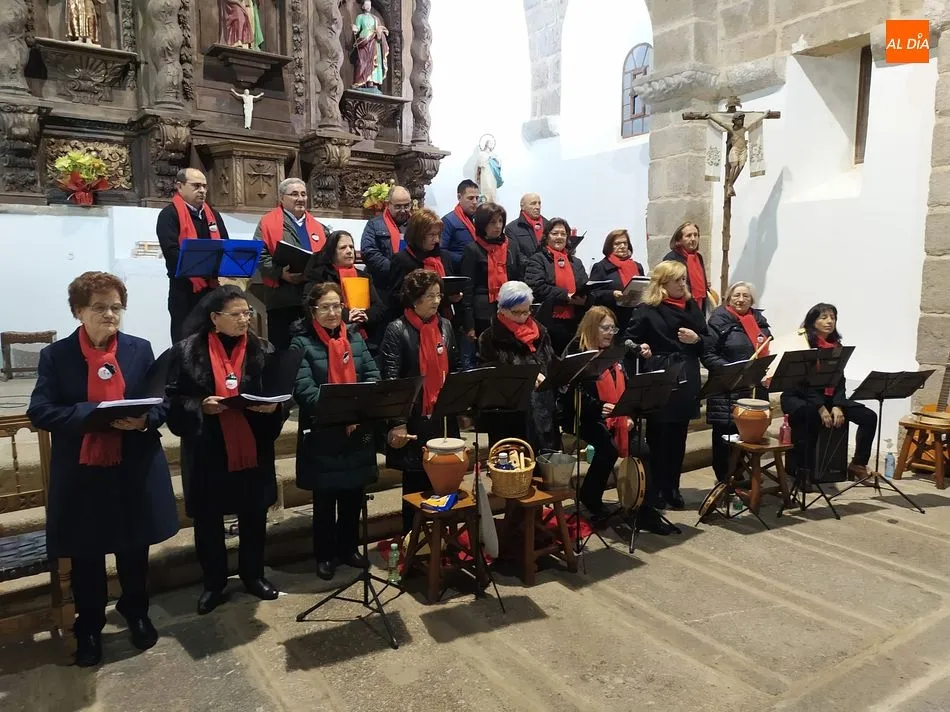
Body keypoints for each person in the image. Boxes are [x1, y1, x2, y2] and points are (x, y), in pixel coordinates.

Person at [26, 271, 178, 667]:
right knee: (87, 552)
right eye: (99, 307)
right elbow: (40, 410)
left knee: (134, 545)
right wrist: (90, 415)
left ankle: (136, 610)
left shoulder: (139, 349)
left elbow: (161, 401)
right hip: (83, 469)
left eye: (116, 307)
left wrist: (144, 420)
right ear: (79, 311)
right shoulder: (56, 356)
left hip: (132, 463)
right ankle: (89, 625)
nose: (110, 314)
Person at [165, 285, 287, 615]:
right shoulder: (188, 351)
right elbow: (171, 399)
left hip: (253, 443)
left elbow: (279, 392)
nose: (245, 319)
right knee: (208, 520)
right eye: (236, 314)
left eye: (247, 313)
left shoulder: (263, 349)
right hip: (208, 447)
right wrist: (198, 407)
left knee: (253, 515)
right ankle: (214, 583)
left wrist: (273, 408)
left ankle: (253, 575)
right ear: (215, 318)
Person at [291, 283, 380, 581]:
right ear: (312, 311)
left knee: (354, 494)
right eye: (325, 307)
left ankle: (348, 548)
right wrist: (341, 411)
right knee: (325, 500)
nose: (332, 313)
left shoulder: (355, 337)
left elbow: (372, 374)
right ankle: (325, 554)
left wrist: (358, 408)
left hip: (356, 430)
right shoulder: (301, 343)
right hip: (323, 432)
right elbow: (304, 389)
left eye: (336, 306)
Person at [560, 307, 674, 534]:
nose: (610, 332)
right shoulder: (578, 350)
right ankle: (590, 496)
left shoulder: (615, 352)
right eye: (605, 328)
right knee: (608, 450)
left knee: (643, 450)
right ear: (592, 327)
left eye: (613, 328)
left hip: (618, 416)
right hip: (584, 416)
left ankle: (645, 511)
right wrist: (599, 408)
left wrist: (628, 414)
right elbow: (570, 392)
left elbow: (628, 386)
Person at [625, 261, 711, 510]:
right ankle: (656, 490)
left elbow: (706, 340)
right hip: (660, 373)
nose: (683, 284)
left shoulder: (691, 306)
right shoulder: (648, 309)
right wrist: (640, 347)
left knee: (679, 437)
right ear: (662, 284)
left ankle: (673, 487)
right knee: (659, 437)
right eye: (677, 280)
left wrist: (696, 339)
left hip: (686, 375)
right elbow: (627, 339)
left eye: (684, 279)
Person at [379, 269, 461, 534]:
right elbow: (392, 381)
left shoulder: (445, 325)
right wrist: (398, 423)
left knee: (446, 482)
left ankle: (442, 539)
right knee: (415, 486)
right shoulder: (397, 330)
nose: (436, 301)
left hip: (442, 416)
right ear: (414, 299)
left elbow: (455, 367)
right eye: (429, 296)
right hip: (413, 419)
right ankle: (412, 540)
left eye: (438, 295)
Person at [780, 303, 877, 482]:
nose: (829, 321)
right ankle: (804, 471)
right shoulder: (803, 343)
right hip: (800, 396)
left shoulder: (837, 346)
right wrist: (820, 407)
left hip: (830, 398)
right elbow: (801, 383)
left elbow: (840, 379)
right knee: (810, 417)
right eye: (824, 317)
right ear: (812, 321)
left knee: (869, 416)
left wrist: (839, 405)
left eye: (833, 317)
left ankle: (858, 464)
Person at [476, 281, 559, 454]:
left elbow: (550, 360)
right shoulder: (490, 338)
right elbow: (490, 374)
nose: (523, 317)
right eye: (517, 312)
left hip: (542, 410)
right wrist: (528, 376)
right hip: (510, 414)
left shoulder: (540, 332)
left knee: (544, 463)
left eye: (527, 311)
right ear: (502, 310)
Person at [704, 282, 772, 484]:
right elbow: (708, 354)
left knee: (748, 437)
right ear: (728, 298)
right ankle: (725, 479)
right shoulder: (718, 321)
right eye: (736, 296)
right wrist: (733, 370)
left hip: (753, 389)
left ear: (752, 300)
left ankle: (742, 475)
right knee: (726, 437)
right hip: (727, 387)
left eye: (746, 296)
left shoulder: (760, 322)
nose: (741, 299)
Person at [253, 178, 329, 351]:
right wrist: (281, 273)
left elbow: (326, 257)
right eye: (294, 194)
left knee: (313, 348)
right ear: (281, 198)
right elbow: (260, 255)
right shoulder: (267, 223)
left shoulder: (319, 227)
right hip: (282, 298)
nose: (300, 198)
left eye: (303, 194)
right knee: (283, 349)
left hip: (312, 296)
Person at [157, 168, 230, 344]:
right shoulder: (169, 215)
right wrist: (201, 265)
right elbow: (172, 252)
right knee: (185, 342)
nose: (202, 190)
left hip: (211, 289)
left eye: (205, 186)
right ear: (180, 186)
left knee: (213, 342)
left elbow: (225, 245)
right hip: (184, 291)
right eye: (196, 186)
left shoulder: (213, 215)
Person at [303, 230, 387, 355]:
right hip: (328, 337)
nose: (349, 251)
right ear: (332, 252)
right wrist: (347, 316)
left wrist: (364, 315)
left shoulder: (363, 276)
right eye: (343, 247)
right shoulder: (319, 274)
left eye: (351, 247)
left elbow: (379, 308)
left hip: (364, 336)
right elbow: (308, 305)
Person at [524, 217, 590, 355]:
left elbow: (585, 285)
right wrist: (566, 296)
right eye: (555, 233)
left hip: (576, 321)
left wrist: (585, 298)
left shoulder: (576, 262)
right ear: (546, 236)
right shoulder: (538, 259)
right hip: (548, 321)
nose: (559, 237)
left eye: (563, 234)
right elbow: (536, 287)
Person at [460, 202, 521, 341]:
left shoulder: (511, 246)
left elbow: (519, 278)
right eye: (493, 222)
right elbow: (467, 289)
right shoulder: (472, 249)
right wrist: (469, 325)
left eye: (500, 221)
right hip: (483, 313)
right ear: (482, 224)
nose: (498, 226)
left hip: (509, 309)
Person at [359, 185, 412, 306]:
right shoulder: (374, 224)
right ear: (388, 204)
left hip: (410, 286)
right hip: (382, 285)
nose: (403, 210)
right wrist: (395, 270)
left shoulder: (416, 224)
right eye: (398, 206)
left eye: (407, 206)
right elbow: (369, 252)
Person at [589, 229, 646, 336]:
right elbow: (592, 294)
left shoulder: (637, 266)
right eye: (617, 243)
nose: (623, 246)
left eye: (625, 243)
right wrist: (612, 294)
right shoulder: (601, 267)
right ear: (609, 246)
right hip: (613, 319)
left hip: (636, 318)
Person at [663, 222, 712, 313]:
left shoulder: (698, 257)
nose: (693, 239)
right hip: (680, 306)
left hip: (699, 303)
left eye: (696, 235)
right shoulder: (671, 258)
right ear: (679, 240)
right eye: (688, 236)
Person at [440, 179, 481, 270]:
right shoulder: (448, 221)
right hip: (458, 273)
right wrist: (464, 259)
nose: (475, 202)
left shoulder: (480, 219)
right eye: (470, 198)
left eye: (477, 198)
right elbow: (441, 251)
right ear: (459, 197)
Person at [352, 0, 390, 91]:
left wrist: (380, 33)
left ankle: (371, 81)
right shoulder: (360, 17)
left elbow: (379, 30)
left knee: (374, 62)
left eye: (369, 5)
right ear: (363, 6)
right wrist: (354, 28)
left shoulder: (375, 18)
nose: (368, 6)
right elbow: (357, 28)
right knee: (362, 61)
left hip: (373, 41)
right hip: (364, 40)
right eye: (366, 4)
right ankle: (361, 81)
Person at [504, 192, 550, 263]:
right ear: (522, 207)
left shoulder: (549, 225)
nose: (538, 207)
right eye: (533, 203)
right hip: (526, 271)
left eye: (539, 203)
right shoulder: (511, 229)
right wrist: (535, 267)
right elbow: (516, 255)